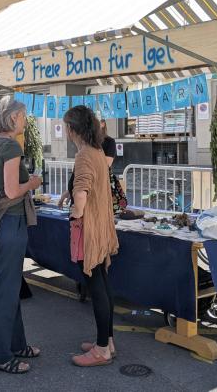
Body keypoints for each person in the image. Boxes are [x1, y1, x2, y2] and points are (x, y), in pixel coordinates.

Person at [0, 96, 42, 374]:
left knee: (8, 287)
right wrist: (32, 181)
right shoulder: (9, 146)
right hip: (11, 222)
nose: (25, 120)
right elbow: (11, 191)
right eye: (23, 116)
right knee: (5, 292)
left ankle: (17, 344)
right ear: (13, 117)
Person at [64, 106, 119, 367]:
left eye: (66, 126)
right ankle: (106, 341)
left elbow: (82, 191)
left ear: (73, 129)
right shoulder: (98, 151)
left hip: (91, 229)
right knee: (103, 286)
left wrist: (75, 213)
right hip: (102, 226)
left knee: (97, 288)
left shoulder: (85, 155)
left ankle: (101, 349)